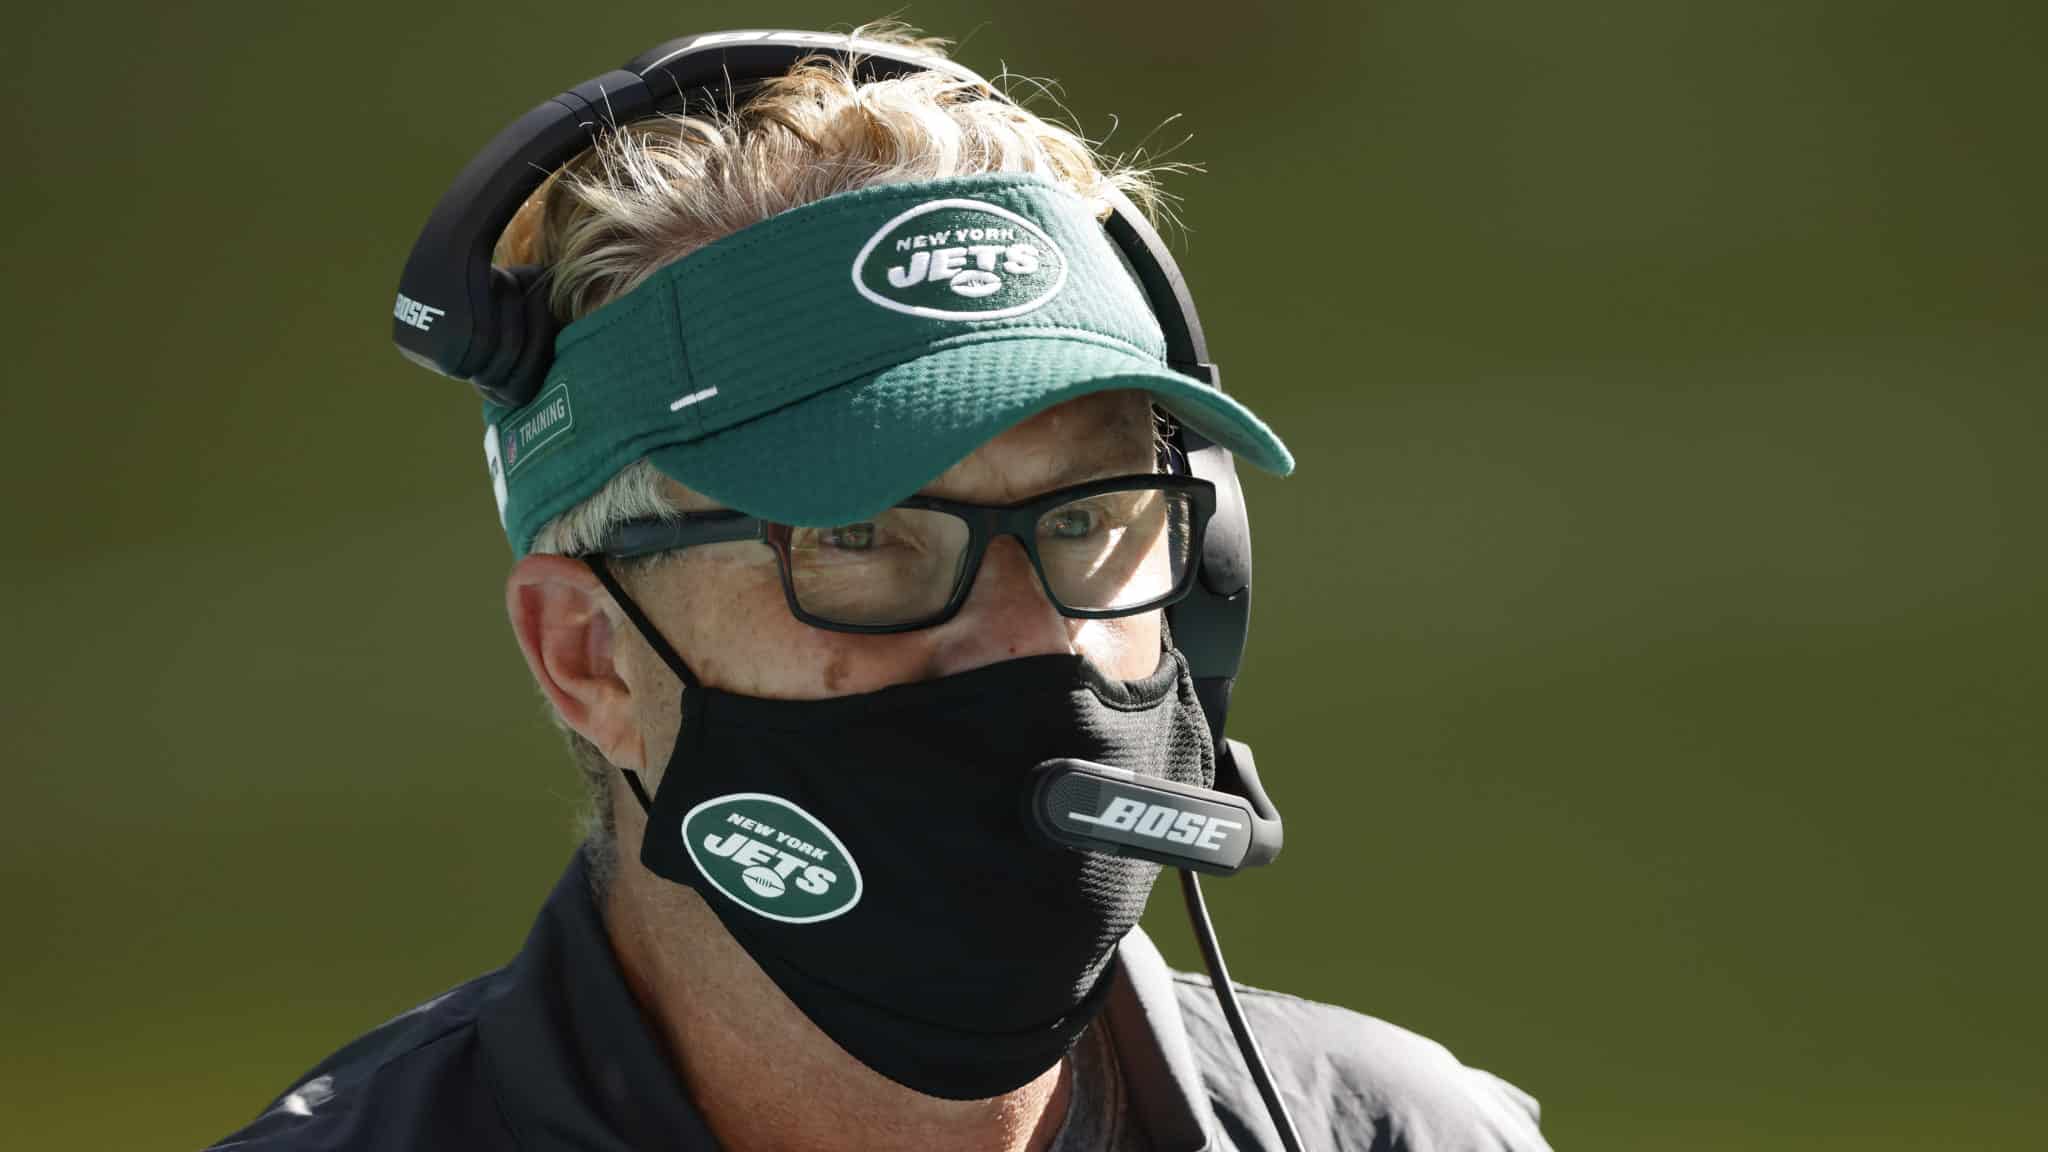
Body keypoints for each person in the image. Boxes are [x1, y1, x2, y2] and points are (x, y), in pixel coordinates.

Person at [212, 24, 1551, 1152]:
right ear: (590, 659)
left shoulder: (1404, 1133)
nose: (1039, 640)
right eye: (857, 534)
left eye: (1088, 516)